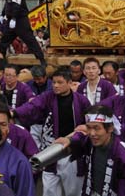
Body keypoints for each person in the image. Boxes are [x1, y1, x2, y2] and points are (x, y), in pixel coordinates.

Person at [14, 66, 90, 196]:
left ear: (69, 83)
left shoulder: (81, 101)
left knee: (73, 191)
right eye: (54, 82)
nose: (55, 85)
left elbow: (88, 123)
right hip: (50, 149)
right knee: (49, 190)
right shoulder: (48, 97)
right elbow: (33, 106)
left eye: (60, 82)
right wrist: (14, 113)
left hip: (71, 150)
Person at [54, 105, 125, 196]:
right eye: (89, 127)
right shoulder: (91, 142)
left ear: (110, 128)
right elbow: (81, 138)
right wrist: (70, 140)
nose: (92, 133)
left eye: (97, 128)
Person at [0, 0, 46, 66]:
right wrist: (2, 14)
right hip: (11, 21)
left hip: (20, 20)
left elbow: (17, 4)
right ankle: (1, 61)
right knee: (4, 41)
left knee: (30, 41)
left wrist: (14, 18)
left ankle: (42, 60)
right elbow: (8, 3)